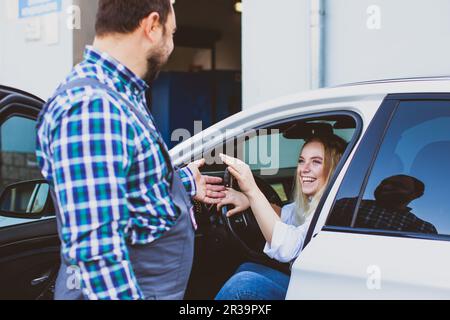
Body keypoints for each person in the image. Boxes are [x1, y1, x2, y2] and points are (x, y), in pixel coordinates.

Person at [36, 0, 225, 300]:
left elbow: (133, 184)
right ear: (152, 26)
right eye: (172, 33)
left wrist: (186, 182)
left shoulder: (121, 95)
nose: (171, 45)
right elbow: (98, 256)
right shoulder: (92, 108)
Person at [215, 134, 347, 300]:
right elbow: (286, 214)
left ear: (334, 168)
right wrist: (248, 200)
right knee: (248, 267)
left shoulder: (333, 207)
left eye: (316, 162)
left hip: (323, 292)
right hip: (313, 283)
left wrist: (252, 190)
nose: (304, 169)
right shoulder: (317, 202)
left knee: (242, 286)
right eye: (301, 160)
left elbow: (288, 250)